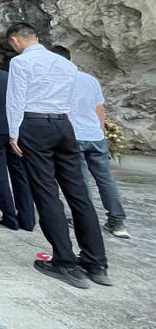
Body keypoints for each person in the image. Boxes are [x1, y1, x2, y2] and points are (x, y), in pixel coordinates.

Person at [6, 23, 110, 289]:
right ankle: (96, 262)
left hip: (34, 123)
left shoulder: (20, 63)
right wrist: (69, 128)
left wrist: (14, 133)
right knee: (78, 192)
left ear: (16, 40)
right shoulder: (66, 64)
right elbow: (73, 101)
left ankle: (64, 260)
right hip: (64, 125)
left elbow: (16, 99)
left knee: (46, 191)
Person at [51, 45, 129, 239]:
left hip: (73, 136)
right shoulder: (90, 80)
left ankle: (83, 218)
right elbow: (99, 109)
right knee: (105, 178)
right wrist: (101, 133)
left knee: (79, 180)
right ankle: (117, 221)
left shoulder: (56, 81)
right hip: (95, 136)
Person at [0, 51, 35, 232]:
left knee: (0, 174)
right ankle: (27, 219)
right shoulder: (10, 77)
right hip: (15, 131)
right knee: (20, 174)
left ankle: (9, 216)